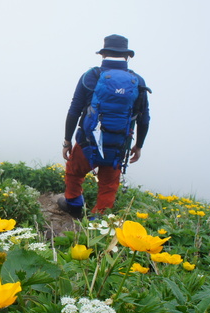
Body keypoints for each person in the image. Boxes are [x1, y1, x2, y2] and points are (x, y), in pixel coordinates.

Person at [58, 34, 151, 218]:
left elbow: (74, 110)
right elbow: (144, 118)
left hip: (87, 142)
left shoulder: (90, 77)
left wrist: (67, 141)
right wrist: (138, 146)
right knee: (108, 186)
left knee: (74, 172)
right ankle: (98, 220)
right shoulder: (137, 81)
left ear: (103, 54)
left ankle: (75, 206)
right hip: (117, 146)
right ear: (127, 56)